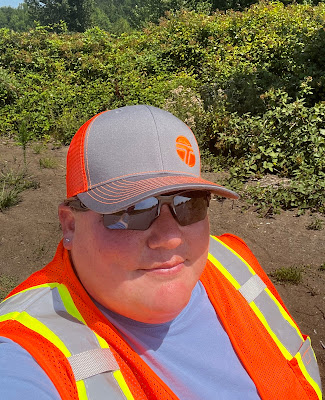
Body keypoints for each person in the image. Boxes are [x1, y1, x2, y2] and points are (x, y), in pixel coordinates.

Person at [0, 105, 322, 400]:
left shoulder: (233, 262)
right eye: (132, 210)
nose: (169, 238)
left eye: (189, 203)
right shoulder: (27, 354)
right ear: (70, 225)